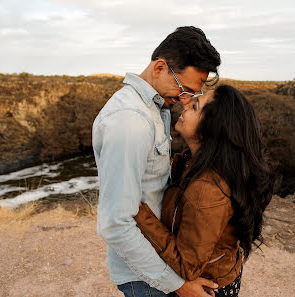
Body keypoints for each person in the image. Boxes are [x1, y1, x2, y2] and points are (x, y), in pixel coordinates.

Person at [92, 26, 221, 297]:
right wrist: (178, 284)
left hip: (161, 259)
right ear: (160, 67)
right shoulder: (130, 120)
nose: (184, 99)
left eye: (193, 95)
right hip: (147, 276)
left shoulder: (155, 107)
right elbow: (115, 223)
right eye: (183, 88)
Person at [134, 85, 280, 297]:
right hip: (221, 275)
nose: (185, 105)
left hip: (206, 289)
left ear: (212, 128)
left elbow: (187, 266)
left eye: (195, 106)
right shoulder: (197, 163)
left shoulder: (207, 188)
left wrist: (140, 214)